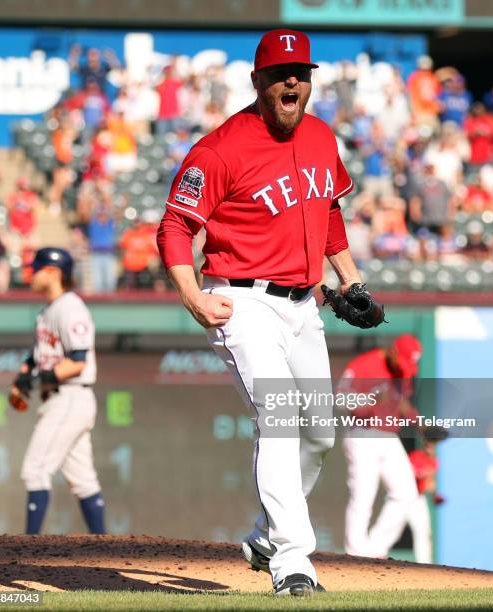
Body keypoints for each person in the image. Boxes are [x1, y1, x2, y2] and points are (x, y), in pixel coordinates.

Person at [157, 29, 377, 597]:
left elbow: (327, 210)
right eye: (281, 72)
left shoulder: (323, 136)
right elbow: (175, 227)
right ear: (258, 81)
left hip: (304, 304)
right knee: (280, 420)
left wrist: (349, 277)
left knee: (320, 435)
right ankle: (292, 565)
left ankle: (264, 537)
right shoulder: (221, 148)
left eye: (301, 72)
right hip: (244, 300)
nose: (292, 81)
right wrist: (193, 296)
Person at [9, 247, 105, 535]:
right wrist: (22, 379)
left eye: (35, 268)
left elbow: (77, 362)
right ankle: (105, 547)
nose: (31, 273)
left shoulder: (70, 308)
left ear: (52, 273)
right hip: (63, 397)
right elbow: (37, 357)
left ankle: (29, 550)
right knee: (83, 479)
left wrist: (34, 380)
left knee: (35, 470)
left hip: (70, 396)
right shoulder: (48, 310)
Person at [339, 335, 422, 559]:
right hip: (363, 433)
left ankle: (376, 548)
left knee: (406, 493)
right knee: (363, 495)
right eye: (403, 361)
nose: (404, 368)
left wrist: (420, 423)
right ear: (393, 351)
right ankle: (356, 553)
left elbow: (399, 399)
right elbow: (341, 397)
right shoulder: (365, 364)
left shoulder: (400, 370)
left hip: (388, 436)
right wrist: (371, 400)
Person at [407, 431, 447, 564]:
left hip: (418, 499)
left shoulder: (433, 462)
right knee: (391, 527)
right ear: (425, 443)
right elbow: (408, 474)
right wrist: (420, 474)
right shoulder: (415, 456)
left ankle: (424, 565)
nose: (431, 446)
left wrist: (436, 495)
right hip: (404, 498)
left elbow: (429, 484)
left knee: (423, 532)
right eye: (430, 442)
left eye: (434, 443)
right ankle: (372, 553)